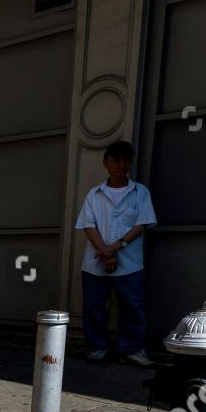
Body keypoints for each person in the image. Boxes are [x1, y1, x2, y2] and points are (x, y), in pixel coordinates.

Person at [75, 140, 158, 366]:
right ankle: (97, 347)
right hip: (96, 262)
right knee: (94, 306)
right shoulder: (95, 194)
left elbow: (141, 225)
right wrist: (106, 252)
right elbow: (87, 225)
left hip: (129, 263)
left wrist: (115, 248)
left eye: (126, 161)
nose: (121, 165)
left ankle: (131, 350)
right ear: (106, 163)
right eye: (116, 160)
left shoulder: (140, 192)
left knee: (132, 306)